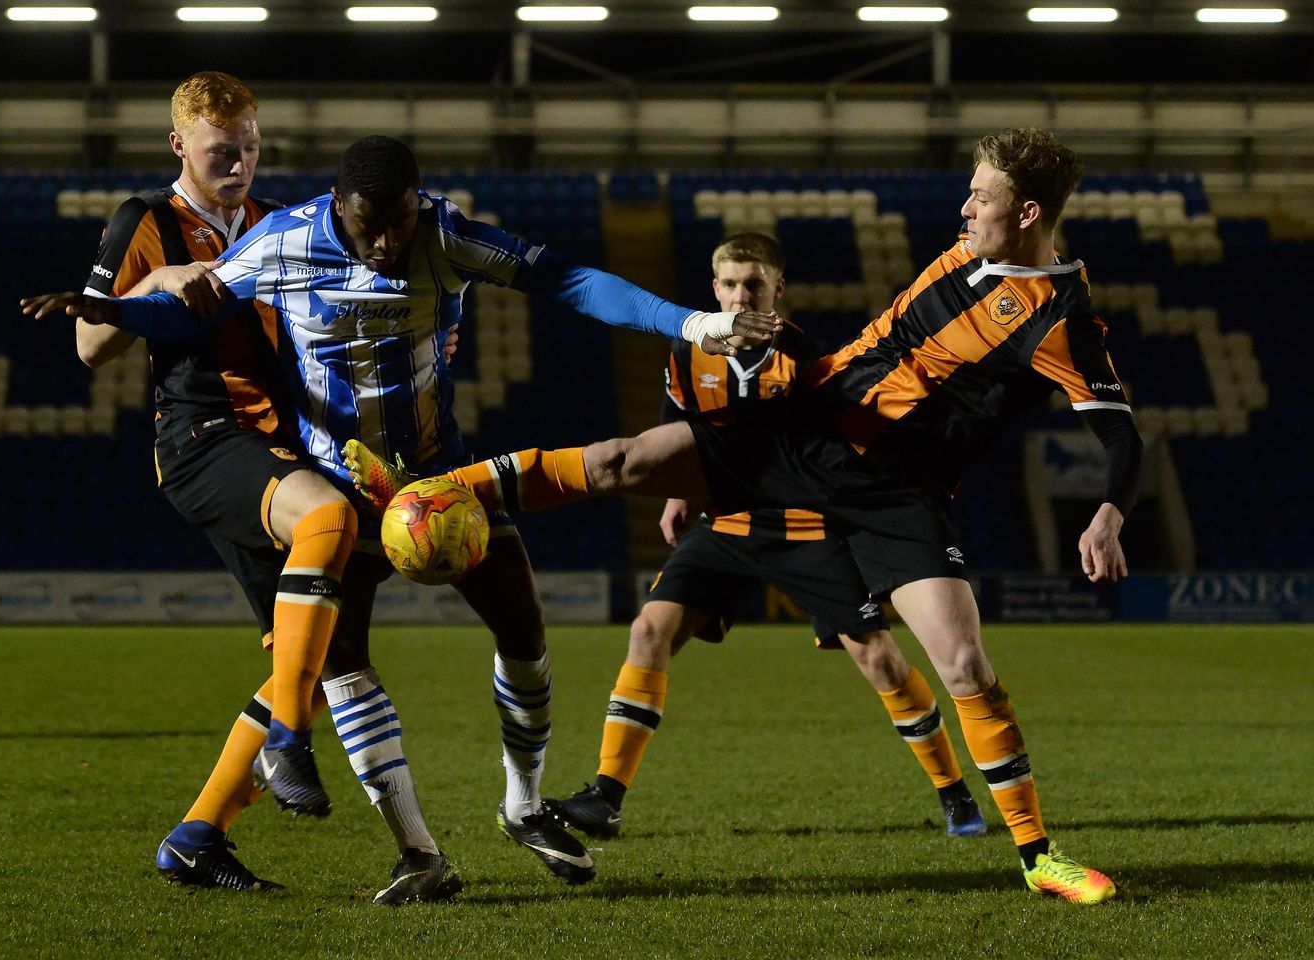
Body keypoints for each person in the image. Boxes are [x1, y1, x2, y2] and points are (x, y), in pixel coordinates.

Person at [350, 128, 1136, 905]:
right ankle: (432, 488)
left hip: (898, 493)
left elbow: (1121, 433)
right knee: (626, 460)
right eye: (970, 189)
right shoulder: (966, 251)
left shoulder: (1059, 319)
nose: (964, 206)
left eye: (982, 196)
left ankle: (1038, 858)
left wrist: (1108, 511)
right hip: (807, 431)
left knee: (962, 666)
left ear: (1028, 212)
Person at [22, 134, 780, 888]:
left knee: (522, 620)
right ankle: (418, 852)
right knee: (342, 667)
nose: (387, 240)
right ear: (340, 207)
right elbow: (194, 311)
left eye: (400, 219)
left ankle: (522, 803)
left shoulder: (445, 235)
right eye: (368, 223)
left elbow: (570, 281)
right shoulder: (283, 241)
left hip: (440, 479)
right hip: (340, 485)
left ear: (419, 200)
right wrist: (108, 305)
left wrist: (695, 323)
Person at [48, 72, 457, 904]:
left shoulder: (277, 225)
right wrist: (159, 284)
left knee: (324, 654)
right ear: (179, 147)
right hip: (204, 440)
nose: (238, 162)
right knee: (327, 524)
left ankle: (200, 838)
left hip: (291, 449)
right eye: (220, 150)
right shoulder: (147, 221)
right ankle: (291, 743)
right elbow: (91, 344)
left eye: (250, 148)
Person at [550, 232, 985, 842]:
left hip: (805, 525)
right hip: (725, 523)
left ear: (777, 291)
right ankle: (606, 796)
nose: (739, 296)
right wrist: (679, 493)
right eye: (728, 284)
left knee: (879, 660)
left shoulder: (808, 358)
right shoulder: (687, 351)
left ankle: (954, 792)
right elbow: (682, 425)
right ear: (714, 289)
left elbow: (846, 443)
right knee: (649, 630)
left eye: (753, 284)